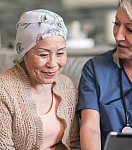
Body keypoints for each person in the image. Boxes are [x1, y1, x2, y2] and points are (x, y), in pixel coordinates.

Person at [0, 9, 80, 150]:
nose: (53, 64)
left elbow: (73, 142)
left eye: (60, 53)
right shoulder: (4, 90)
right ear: (25, 53)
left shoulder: (66, 86)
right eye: (43, 55)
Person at [77, 0, 132, 149]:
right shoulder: (95, 69)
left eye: (130, 30)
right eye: (116, 24)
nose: (118, 36)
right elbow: (90, 128)